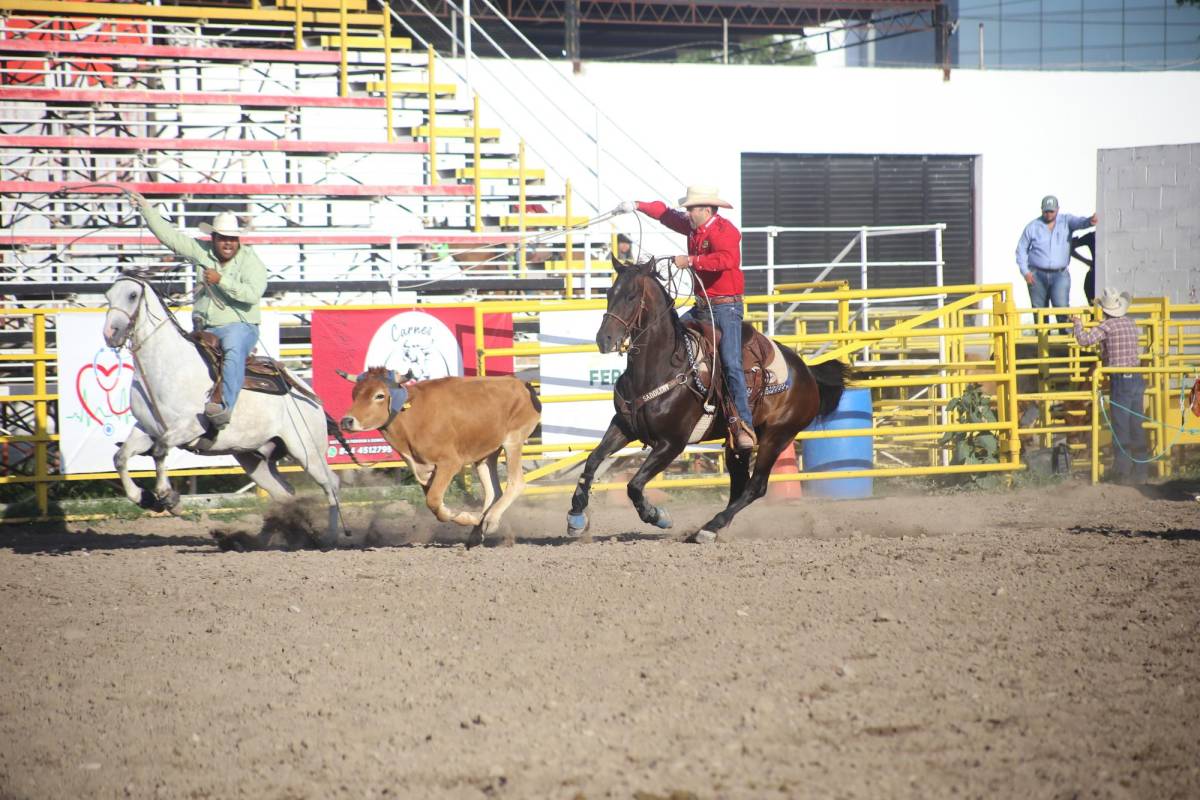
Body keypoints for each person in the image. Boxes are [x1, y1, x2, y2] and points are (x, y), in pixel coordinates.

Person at [614, 185, 756, 450]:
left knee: (731, 363)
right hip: (703, 304)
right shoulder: (695, 227)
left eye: (691, 208)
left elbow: (728, 260)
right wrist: (637, 204)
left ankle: (742, 424)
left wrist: (691, 260)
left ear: (706, 209)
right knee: (669, 336)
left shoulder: (725, 231)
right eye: (688, 208)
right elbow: (665, 214)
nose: (687, 212)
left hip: (726, 308)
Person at [132, 194, 267, 429]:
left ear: (238, 240)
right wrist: (147, 210)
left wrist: (221, 280)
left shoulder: (251, 261)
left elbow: (252, 294)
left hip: (239, 326)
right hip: (203, 327)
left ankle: (225, 407)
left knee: (233, 350)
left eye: (232, 239)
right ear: (213, 238)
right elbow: (171, 238)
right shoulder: (201, 251)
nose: (228, 243)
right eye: (223, 238)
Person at [1070, 287, 1148, 484]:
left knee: (1121, 426)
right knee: (1136, 424)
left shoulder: (1107, 326)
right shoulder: (1131, 323)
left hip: (1120, 379)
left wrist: (1077, 324)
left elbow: (1084, 340)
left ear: (1104, 310)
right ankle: (1141, 472)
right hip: (1137, 378)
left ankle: (1122, 472)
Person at [1015, 195, 1096, 328]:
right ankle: (1042, 345)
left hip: (1060, 274)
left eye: (1051, 211)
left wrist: (1089, 221)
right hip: (1036, 274)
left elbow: (1080, 222)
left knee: (1062, 308)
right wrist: (1025, 272)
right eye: (1046, 211)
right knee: (1039, 311)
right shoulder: (1032, 226)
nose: (1048, 214)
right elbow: (1021, 250)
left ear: (1058, 209)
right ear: (1041, 210)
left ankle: (1065, 344)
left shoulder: (1066, 221)